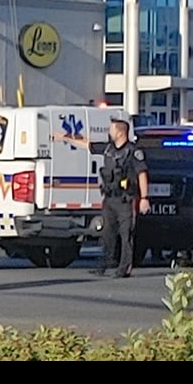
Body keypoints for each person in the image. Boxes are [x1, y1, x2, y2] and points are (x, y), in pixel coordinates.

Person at [53, 119, 151, 278]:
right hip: (109, 199)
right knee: (107, 233)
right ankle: (104, 264)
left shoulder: (133, 152)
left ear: (120, 132)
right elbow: (87, 144)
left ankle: (124, 268)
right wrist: (65, 137)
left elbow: (142, 174)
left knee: (126, 234)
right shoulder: (108, 149)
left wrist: (144, 198)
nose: (109, 132)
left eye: (112, 129)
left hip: (125, 199)